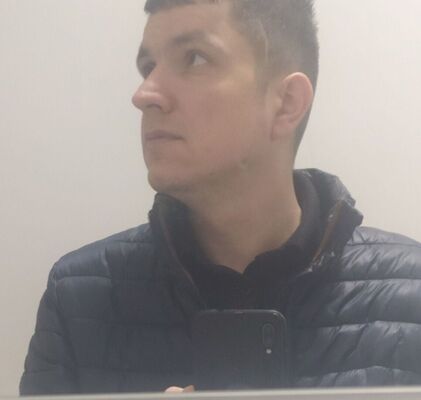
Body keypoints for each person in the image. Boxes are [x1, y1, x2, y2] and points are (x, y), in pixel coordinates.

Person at [20, 0, 421, 395]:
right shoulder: (76, 301)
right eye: (148, 66)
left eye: (194, 58)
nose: (144, 94)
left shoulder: (413, 293)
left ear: (286, 103)